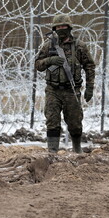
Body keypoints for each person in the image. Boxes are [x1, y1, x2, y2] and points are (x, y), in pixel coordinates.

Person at [35, 14, 96, 153]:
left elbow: (89, 66)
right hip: (53, 90)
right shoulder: (48, 45)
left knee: (75, 122)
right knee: (52, 120)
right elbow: (38, 65)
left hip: (71, 90)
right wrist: (50, 61)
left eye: (63, 26)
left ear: (69, 27)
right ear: (54, 29)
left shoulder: (79, 46)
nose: (61, 29)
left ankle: (77, 149)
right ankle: (52, 152)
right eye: (58, 27)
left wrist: (90, 87)